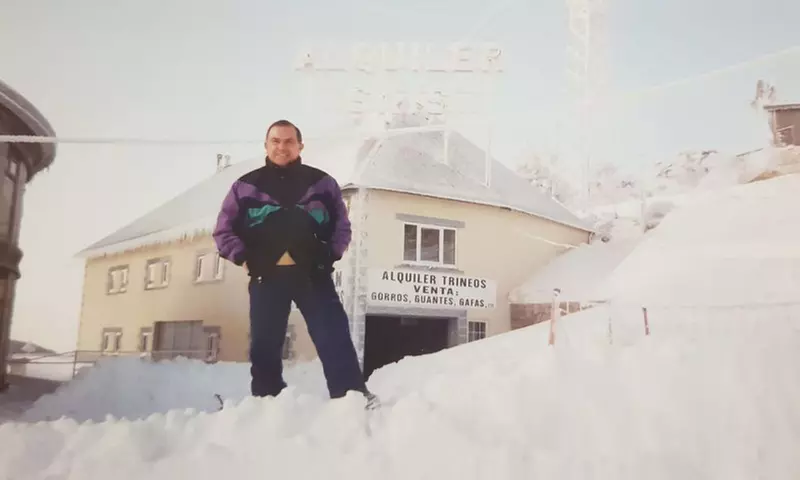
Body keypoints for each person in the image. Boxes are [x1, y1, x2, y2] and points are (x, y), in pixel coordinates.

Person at [212, 119, 377, 408]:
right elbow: (223, 231)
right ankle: (267, 403)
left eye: (289, 141)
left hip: (313, 276)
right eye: (275, 141)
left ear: (300, 145)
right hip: (267, 278)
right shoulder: (245, 186)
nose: (282, 146)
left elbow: (342, 226)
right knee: (265, 346)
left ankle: (353, 398)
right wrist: (245, 259)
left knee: (334, 337)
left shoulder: (322, 183)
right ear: (266, 145)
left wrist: (329, 256)